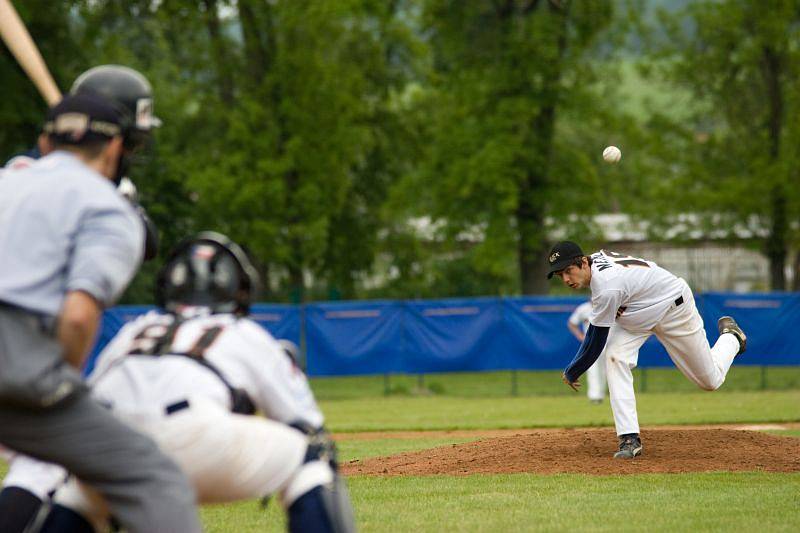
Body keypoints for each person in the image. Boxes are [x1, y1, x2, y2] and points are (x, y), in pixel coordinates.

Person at [3, 232, 356, 533]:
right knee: (313, 455)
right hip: (195, 435)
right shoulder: (242, 331)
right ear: (239, 289)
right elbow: (306, 422)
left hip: (111, 444)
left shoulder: (133, 330)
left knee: (79, 497)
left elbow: (88, 402)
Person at [0, 93, 201, 532]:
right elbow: (76, 316)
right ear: (114, 149)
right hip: (18, 366)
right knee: (154, 478)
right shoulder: (109, 209)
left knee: (36, 468)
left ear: (45, 142)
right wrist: (57, 389)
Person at [546, 241, 746, 459]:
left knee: (710, 381)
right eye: (559, 275)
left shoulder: (607, 286)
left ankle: (732, 338)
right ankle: (629, 438)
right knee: (615, 358)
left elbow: (596, 339)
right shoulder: (598, 271)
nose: (566, 279)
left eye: (568, 271)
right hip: (636, 316)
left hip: (672, 309)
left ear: (584, 262)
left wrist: (573, 370)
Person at [567, 300, 606, 404]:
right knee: (592, 369)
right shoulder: (583, 308)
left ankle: (602, 394)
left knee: (605, 370)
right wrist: (580, 336)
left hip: (607, 342)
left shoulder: (607, 305)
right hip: (591, 344)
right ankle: (594, 396)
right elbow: (571, 323)